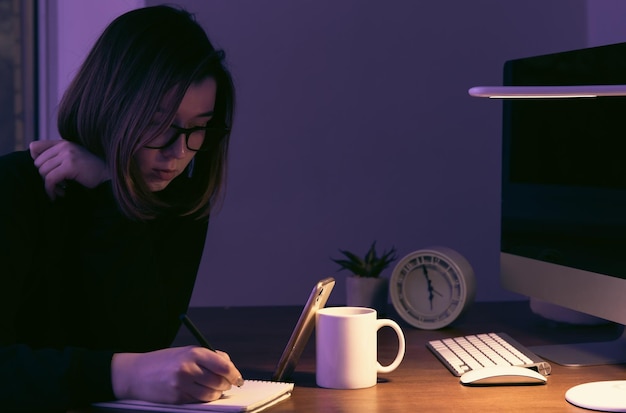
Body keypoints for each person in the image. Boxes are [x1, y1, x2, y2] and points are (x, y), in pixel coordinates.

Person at [0, 5, 244, 412]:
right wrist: (123, 375)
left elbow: (140, 339)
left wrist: (112, 193)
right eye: (158, 124)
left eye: (198, 127)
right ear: (111, 102)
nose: (178, 152)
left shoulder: (176, 203)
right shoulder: (16, 188)